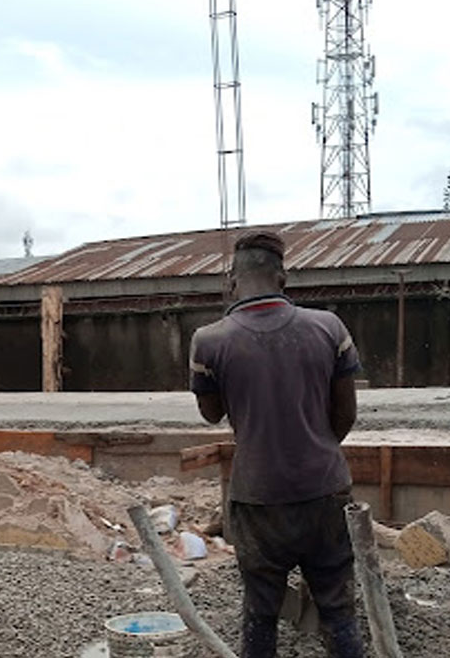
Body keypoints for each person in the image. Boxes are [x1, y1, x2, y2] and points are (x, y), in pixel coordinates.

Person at [189, 231, 363, 658]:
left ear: (232, 282)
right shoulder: (329, 327)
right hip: (325, 490)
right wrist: (314, 447)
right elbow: (346, 414)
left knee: (261, 610)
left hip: (258, 498)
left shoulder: (208, 341)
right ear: (283, 278)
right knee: (338, 608)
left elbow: (211, 413)